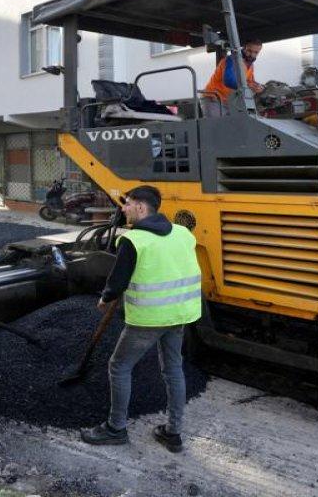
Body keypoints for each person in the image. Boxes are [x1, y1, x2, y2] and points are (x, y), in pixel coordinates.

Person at [81, 185, 202, 453]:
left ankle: (115, 428)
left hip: (148, 319)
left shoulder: (133, 240)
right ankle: (173, 433)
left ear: (141, 206)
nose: (123, 208)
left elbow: (117, 281)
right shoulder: (183, 233)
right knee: (173, 369)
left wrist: (105, 298)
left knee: (119, 366)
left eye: (127, 203)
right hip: (180, 314)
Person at [201, 39, 264, 116]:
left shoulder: (250, 66)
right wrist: (249, 86)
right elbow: (229, 81)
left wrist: (260, 87)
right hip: (214, 99)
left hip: (229, 101)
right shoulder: (232, 60)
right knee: (216, 126)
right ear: (243, 48)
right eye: (249, 51)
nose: (252, 55)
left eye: (256, 52)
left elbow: (250, 81)